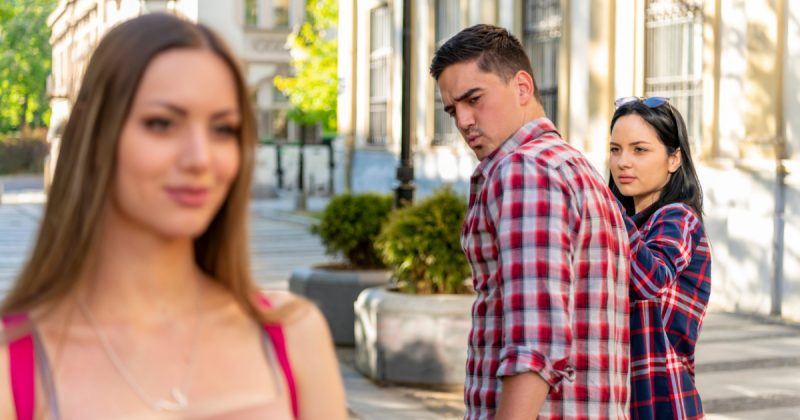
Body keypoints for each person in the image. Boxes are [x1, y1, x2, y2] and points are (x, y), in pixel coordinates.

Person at [0, 14, 346, 420]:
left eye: (223, 129)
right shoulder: (13, 363)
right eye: (161, 123)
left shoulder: (295, 334)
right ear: (92, 137)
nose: (200, 158)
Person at [430, 24, 631, 420]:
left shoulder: (525, 170)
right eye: (453, 110)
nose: (464, 121)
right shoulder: (572, 164)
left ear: (522, 87)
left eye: (474, 99)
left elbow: (534, 345)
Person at [608, 97, 711, 420]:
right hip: (618, 395)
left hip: (662, 400)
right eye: (615, 149)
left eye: (639, 150)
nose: (623, 162)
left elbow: (649, 280)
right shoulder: (623, 224)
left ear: (673, 159)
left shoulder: (678, 218)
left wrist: (603, 206)